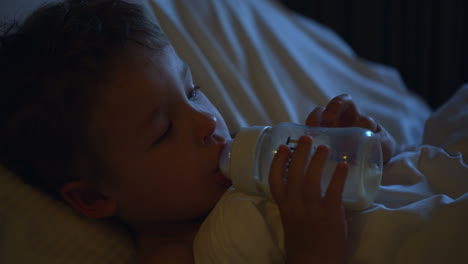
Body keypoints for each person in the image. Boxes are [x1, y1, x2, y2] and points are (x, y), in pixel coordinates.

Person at [0, 0, 395, 263]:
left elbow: (390, 184)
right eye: (165, 130)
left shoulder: (254, 167)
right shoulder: (175, 253)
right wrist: (314, 246)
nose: (206, 121)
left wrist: (369, 145)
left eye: (193, 91)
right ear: (92, 196)